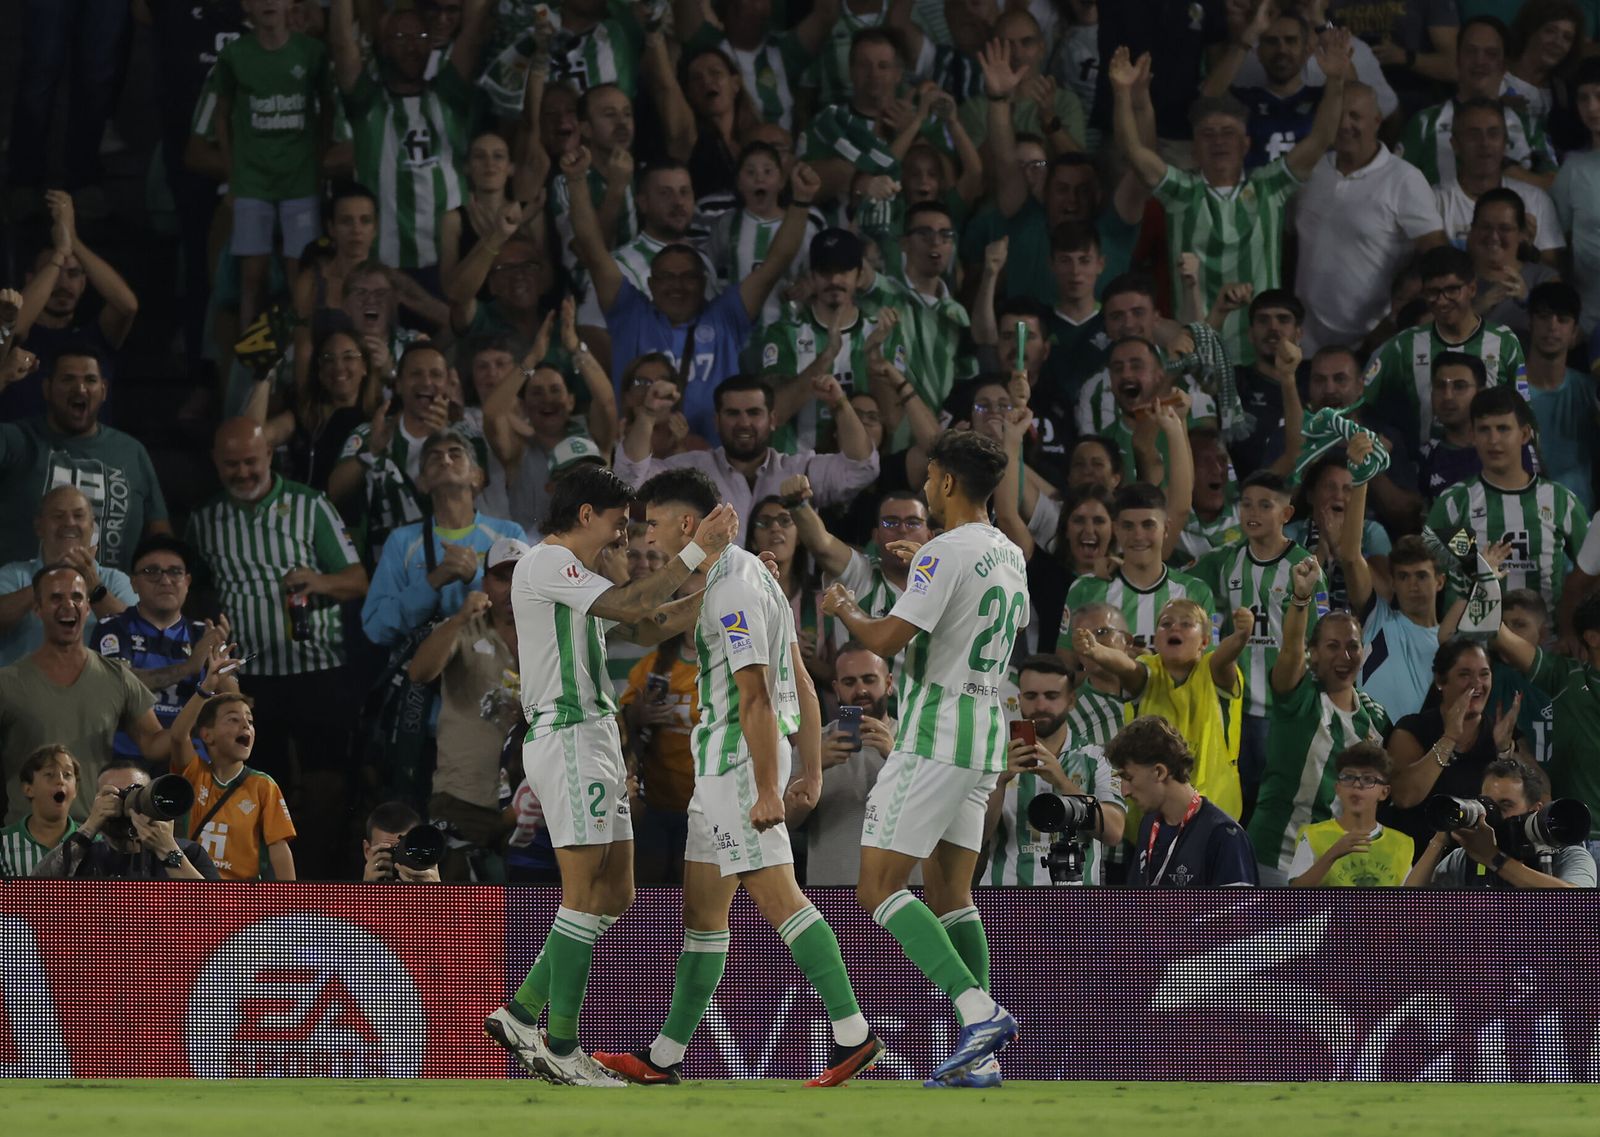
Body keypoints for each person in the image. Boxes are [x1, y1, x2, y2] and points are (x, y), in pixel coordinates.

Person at [593, 469, 881, 1087]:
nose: (649, 534)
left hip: (736, 768)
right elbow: (800, 680)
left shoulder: (733, 589)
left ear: (687, 525)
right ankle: (664, 1058)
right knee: (702, 914)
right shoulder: (748, 577)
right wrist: (807, 767)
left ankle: (854, 1034)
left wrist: (772, 786)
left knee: (781, 900)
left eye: (654, 522)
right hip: (722, 772)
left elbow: (756, 696)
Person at [484, 465, 737, 1086]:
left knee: (616, 893)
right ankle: (562, 1046)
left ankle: (521, 1012)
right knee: (581, 894)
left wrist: (722, 589)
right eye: (619, 526)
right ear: (586, 514)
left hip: (594, 738)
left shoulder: (577, 579)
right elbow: (630, 603)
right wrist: (700, 549)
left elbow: (645, 624)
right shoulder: (547, 564)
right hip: (568, 734)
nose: (625, 539)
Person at [821, 430, 1023, 1088]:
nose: (927, 487)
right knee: (950, 894)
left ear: (944, 483)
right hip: (987, 729)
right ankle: (985, 1059)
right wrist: (918, 569)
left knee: (878, 887)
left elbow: (884, 637)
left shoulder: (941, 552)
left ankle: (980, 1011)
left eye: (931, 478)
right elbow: (959, 619)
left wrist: (845, 604)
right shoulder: (1008, 551)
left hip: (935, 732)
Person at [186, 419, 368, 877]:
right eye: (232, 464)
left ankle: (319, 879)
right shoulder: (204, 520)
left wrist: (319, 581)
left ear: (269, 455)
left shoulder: (311, 506)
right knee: (257, 782)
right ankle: (261, 885)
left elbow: (357, 580)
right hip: (247, 678)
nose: (243, 472)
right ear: (215, 463)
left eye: (251, 461)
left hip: (318, 668)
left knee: (326, 782)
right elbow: (191, 591)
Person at [1109, 35, 1350, 362]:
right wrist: (1122, 93)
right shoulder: (1181, 192)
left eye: (1228, 133)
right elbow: (1133, 152)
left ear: (1247, 145)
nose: (1218, 141)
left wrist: (1335, 80)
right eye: (1208, 134)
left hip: (1262, 356)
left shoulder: (1270, 187)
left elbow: (1321, 137)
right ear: (1194, 150)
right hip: (1198, 355)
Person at [565, 146, 819, 442]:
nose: (678, 285)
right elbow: (593, 250)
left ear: (703, 281)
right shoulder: (631, 315)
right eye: (667, 278)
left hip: (714, 467)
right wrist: (575, 180)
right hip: (642, 465)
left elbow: (775, 263)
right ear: (651, 284)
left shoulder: (725, 317)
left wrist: (800, 200)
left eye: (688, 277)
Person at [1247, 557, 1393, 884]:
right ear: (1313, 653)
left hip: (1335, 862)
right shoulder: (1298, 696)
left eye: (1352, 647)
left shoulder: (1376, 717)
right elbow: (1289, 654)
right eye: (1332, 646)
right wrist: (1301, 599)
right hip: (1275, 856)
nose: (1344, 656)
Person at [614, 375, 880, 547]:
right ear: (717, 421)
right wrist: (648, 415)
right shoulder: (693, 471)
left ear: (773, 420)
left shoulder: (799, 469)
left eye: (754, 413)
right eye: (733, 414)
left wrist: (840, 405)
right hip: (711, 605)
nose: (744, 423)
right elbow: (629, 482)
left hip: (785, 604)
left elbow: (862, 469)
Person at [0, 566, 174, 826]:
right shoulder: (7, 682)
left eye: (77, 597)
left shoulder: (117, 677)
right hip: (24, 841)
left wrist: (203, 699)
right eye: (56, 597)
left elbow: (155, 744)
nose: (68, 605)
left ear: (88, 608)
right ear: (37, 608)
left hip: (96, 838)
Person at [328, 0, 491, 274]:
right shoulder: (366, 102)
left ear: (431, 47)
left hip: (452, 260)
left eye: (421, 37)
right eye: (400, 37)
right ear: (382, 46)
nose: (412, 45)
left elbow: (473, 34)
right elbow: (343, 43)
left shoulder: (449, 95)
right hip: (385, 267)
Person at [405, 537, 527, 882]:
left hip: (531, 803)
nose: (510, 589)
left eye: (521, 578)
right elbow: (419, 673)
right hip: (462, 797)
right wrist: (458, 619)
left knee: (526, 916)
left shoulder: (550, 636)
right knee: (459, 917)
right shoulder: (462, 627)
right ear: (486, 583)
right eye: (502, 578)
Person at [1294, 80, 1447, 356]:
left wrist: (1397, 315)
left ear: (1377, 120)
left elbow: (1437, 253)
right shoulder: (1310, 170)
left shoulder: (1404, 178)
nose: (1344, 125)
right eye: (1338, 115)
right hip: (1302, 342)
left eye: (1355, 116)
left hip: (1371, 345)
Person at [1074, 598, 1253, 821]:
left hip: (1212, 815)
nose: (1174, 628)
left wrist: (1240, 637)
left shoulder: (1213, 670)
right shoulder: (1146, 672)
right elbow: (1125, 665)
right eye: (1166, 624)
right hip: (1151, 819)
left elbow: (1225, 657)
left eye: (1186, 624)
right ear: (1156, 639)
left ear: (1204, 641)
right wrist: (1097, 650)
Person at [215, 0, 334, 329]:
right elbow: (221, 117)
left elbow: (328, 107)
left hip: (300, 179)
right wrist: (232, 173)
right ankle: (249, 361)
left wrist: (318, 157)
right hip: (253, 180)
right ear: (246, 6)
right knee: (252, 276)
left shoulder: (311, 52)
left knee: (302, 273)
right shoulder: (234, 55)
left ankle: (299, 354)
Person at [0, 349, 172, 572]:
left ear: (104, 391)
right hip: (23, 600)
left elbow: (160, 533)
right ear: (47, 389)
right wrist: (2, 377)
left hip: (110, 601)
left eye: (90, 380)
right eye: (67, 379)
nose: (80, 388)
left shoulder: (131, 451)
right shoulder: (16, 440)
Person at [360, 430, 528, 648]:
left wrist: (474, 577)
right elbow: (375, 627)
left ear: (477, 476)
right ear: (422, 482)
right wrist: (433, 582)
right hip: (428, 673)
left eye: (455, 454)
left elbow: (531, 605)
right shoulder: (401, 542)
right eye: (434, 457)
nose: (445, 460)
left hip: (497, 673)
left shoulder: (508, 534)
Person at [1427, 387, 1587, 616]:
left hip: (1547, 645)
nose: (1493, 440)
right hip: (1473, 647)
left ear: (1524, 434)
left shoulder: (1561, 502)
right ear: (1472, 435)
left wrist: (1572, 630)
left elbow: (1592, 574)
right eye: (1484, 430)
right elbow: (1427, 577)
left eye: (1503, 429)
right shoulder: (1454, 504)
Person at [1360, 245, 1527, 454]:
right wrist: (1367, 439)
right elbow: (1357, 398)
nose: (1442, 301)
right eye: (1433, 292)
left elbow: (1524, 412)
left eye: (1451, 290)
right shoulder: (1404, 345)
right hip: (1425, 475)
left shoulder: (1505, 341)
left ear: (1472, 289)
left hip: (1489, 473)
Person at [984, 655, 1127, 886]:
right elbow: (977, 838)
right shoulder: (993, 758)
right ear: (1019, 700)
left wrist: (1063, 782)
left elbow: (1114, 831)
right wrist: (999, 782)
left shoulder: (1097, 758)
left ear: (1071, 700)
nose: (1040, 706)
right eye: (1031, 696)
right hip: (1007, 903)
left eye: (1052, 696)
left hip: (1076, 906)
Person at [6, 193, 140, 419]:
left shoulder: (93, 337)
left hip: (86, 452)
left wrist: (73, 241)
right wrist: (59, 256)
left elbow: (127, 306)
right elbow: (15, 327)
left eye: (74, 274)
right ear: (31, 279)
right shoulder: (17, 336)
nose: (63, 284)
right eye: (55, 273)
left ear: (84, 282)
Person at [95, 536, 225, 764]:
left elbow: (231, 697)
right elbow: (119, 686)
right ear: (133, 582)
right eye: (152, 571)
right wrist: (190, 667)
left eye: (175, 572)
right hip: (127, 762)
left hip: (195, 760)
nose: (165, 580)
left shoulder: (202, 633)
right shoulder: (114, 627)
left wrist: (221, 667)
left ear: (187, 581)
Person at [1385, 638, 1521, 846]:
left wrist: (1503, 751)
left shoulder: (1500, 732)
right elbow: (1404, 796)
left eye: (1484, 674)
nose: (1477, 684)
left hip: (1474, 861)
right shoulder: (1413, 728)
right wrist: (1449, 738)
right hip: (1417, 858)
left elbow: (1530, 796)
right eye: (1464, 674)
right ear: (1440, 681)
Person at [784, 641, 898, 888]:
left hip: (904, 891)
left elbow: (938, 812)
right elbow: (784, 822)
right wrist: (812, 771)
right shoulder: (811, 745)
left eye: (869, 680)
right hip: (833, 891)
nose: (861, 690)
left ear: (888, 684)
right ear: (836, 689)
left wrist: (895, 756)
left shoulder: (915, 742)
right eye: (849, 682)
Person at [1398, 16, 1558, 189]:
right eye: (1471, 51)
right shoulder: (1425, 123)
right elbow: (1394, 185)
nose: (1480, 61)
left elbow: (1556, 186)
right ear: (1458, 60)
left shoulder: (1529, 126)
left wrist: (1509, 172)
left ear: (1504, 65)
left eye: (1491, 54)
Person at [1061, 483, 1215, 653]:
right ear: (1116, 529)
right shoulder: (1086, 589)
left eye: (1148, 525)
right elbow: (1067, 666)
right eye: (1128, 526)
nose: (1138, 536)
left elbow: (1207, 668)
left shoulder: (1196, 592)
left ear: (1166, 529)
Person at [1107, 715, 1258, 888]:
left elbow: (1237, 913)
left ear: (1159, 772)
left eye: (1129, 778)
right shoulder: (1149, 825)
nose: (1124, 791)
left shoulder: (1224, 837)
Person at [167, 685, 298, 882]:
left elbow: (279, 849)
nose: (246, 725)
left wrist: (290, 904)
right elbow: (178, 736)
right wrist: (206, 687)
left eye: (250, 721)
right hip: (192, 890)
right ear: (207, 735)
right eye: (233, 719)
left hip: (243, 899)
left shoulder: (263, 786)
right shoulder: (194, 773)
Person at [1405, 758, 1596, 887]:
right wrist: (1439, 841)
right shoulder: (1466, 858)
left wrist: (1493, 858)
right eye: (1486, 804)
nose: (1492, 814)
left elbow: (1575, 906)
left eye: (1505, 805)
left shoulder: (1566, 854)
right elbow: (1406, 909)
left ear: (1534, 810)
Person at [0, 485, 135, 667]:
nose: (69, 523)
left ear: (92, 526)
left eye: (78, 516)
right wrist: (51, 579)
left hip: (96, 692)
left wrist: (94, 588)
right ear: (39, 526)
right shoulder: (13, 575)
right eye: (58, 516)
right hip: (21, 692)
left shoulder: (116, 581)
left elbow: (137, 636)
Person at [30, 760, 220, 880]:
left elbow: (215, 912)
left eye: (137, 792)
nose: (127, 803)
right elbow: (33, 891)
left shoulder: (189, 853)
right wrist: (89, 827)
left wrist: (167, 850)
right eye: (115, 794)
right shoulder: (85, 854)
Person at [1434, 102, 1564, 263]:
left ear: (1505, 143)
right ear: (1455, 144)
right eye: (1474, 135)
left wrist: (1526, 249)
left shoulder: (1535, 199)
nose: (1484, 143)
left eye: (1493, 134)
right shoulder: (1434, 201)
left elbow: (1552, 271)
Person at [1288, 742, 1415, 887]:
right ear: (1338, 788)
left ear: (1384, 792)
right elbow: (1294, 896)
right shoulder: (1312, 836)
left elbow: (1408, 903)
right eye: (1348, 777)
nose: (1356, 785)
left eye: (1368, 779)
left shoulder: (1401, 844)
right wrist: (1332, 854)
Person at [1523, 282, 1596, 511]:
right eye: (1544, 317)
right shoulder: (1503, 392)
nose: (1552, 326)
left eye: (1562, 319)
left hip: (1580, 519)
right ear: (1530, 323)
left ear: (1574, 332)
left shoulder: (1591, 391)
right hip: (1523, 519)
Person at [1552, 58, 1600, 340]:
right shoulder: (1572, 170)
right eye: (1584, 98)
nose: (1592, 107)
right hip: (1589, 323)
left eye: (1599, 96)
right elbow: (1559, 248)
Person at [0, 745, 80, 878]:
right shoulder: (3, 843)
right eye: (49, 774)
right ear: (28, 789)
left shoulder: (95, 843)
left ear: (75, 789)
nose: (60, 780)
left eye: (67, 775)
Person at [361, 799, 443, 883]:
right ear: (367, 850)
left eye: (404, 850)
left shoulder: (429, 880)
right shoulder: (352, 892)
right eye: (386, 850)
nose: (396, 859)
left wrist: (435, 892)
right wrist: (367, 889)